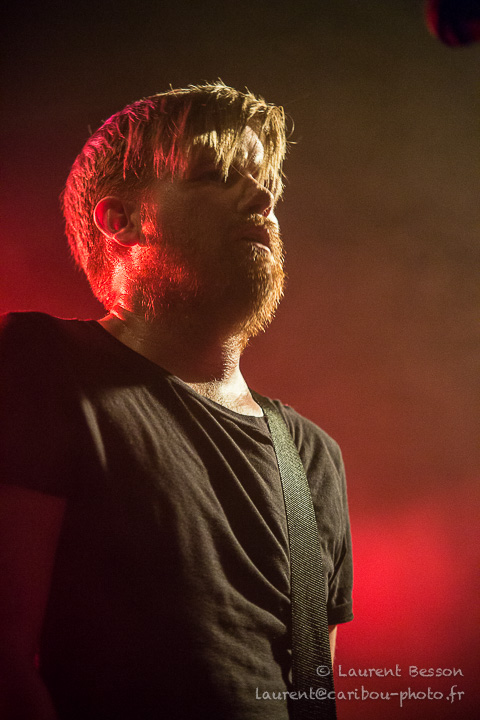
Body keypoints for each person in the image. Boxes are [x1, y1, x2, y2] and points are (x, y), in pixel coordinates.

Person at [0, 82, 353, 720]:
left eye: (267, 185)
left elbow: (314, 692)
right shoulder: (41, 365)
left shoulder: (313, 457)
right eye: (217, 175)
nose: (263, 199)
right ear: (121, 220)